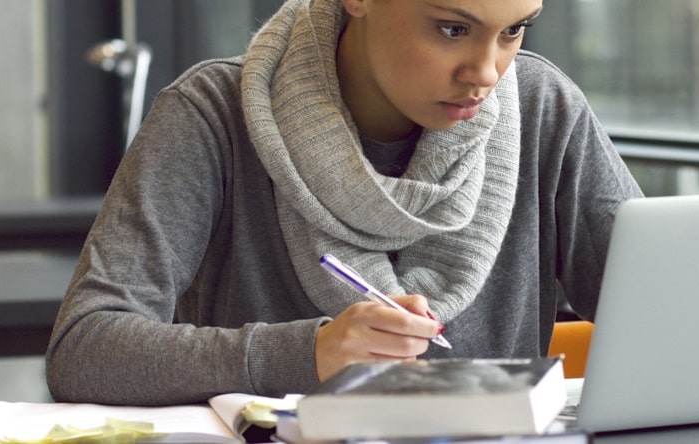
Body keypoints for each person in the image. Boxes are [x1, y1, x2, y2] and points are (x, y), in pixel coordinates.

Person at [45, 0, 643, 406]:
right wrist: (308, 353)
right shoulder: (212, 114)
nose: (485, 72)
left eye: (514, 30)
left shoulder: (544, 108)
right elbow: (85, 348)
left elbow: (662, 312)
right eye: (452, 29)